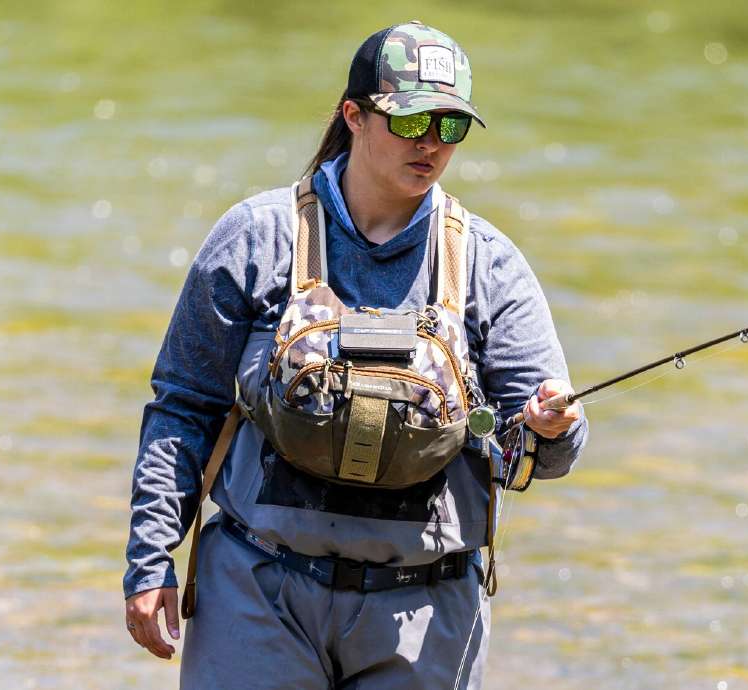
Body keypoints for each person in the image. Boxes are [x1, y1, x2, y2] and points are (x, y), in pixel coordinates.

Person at [122, 20, 587, 689]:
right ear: (355, 115)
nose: (431, 143)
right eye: (411, 121)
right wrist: (149, 561)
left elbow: (541, 454)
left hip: (426, 611)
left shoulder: (489, 266)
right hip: (257, 594)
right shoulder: (257, 238)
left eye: (450, 127)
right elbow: (184, 408)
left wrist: (551, 427)